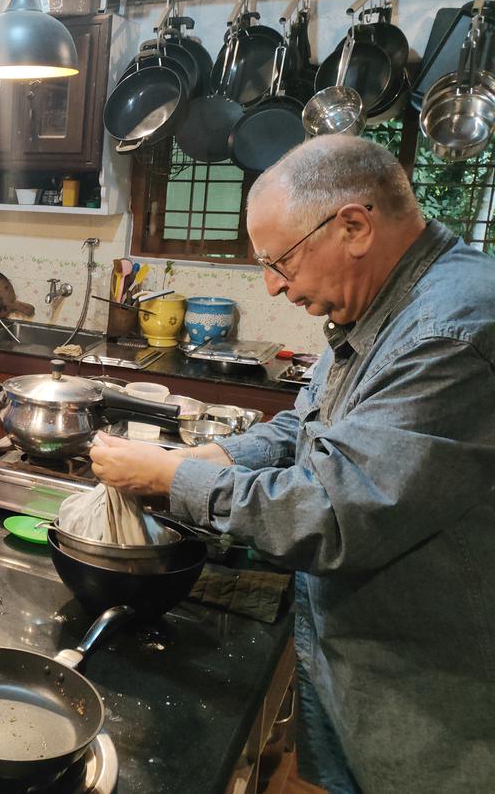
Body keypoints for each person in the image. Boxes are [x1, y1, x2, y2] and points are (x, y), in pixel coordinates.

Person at [87, 136, 495, 793]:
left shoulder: (451, 332)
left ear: (354, 226)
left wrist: (175, 478)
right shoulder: (380, 309)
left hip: (437, 706)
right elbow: (304, 428)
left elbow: (335, 510)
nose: (274, 287)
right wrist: (216, 455)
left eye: (280, 261)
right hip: (359, 663)